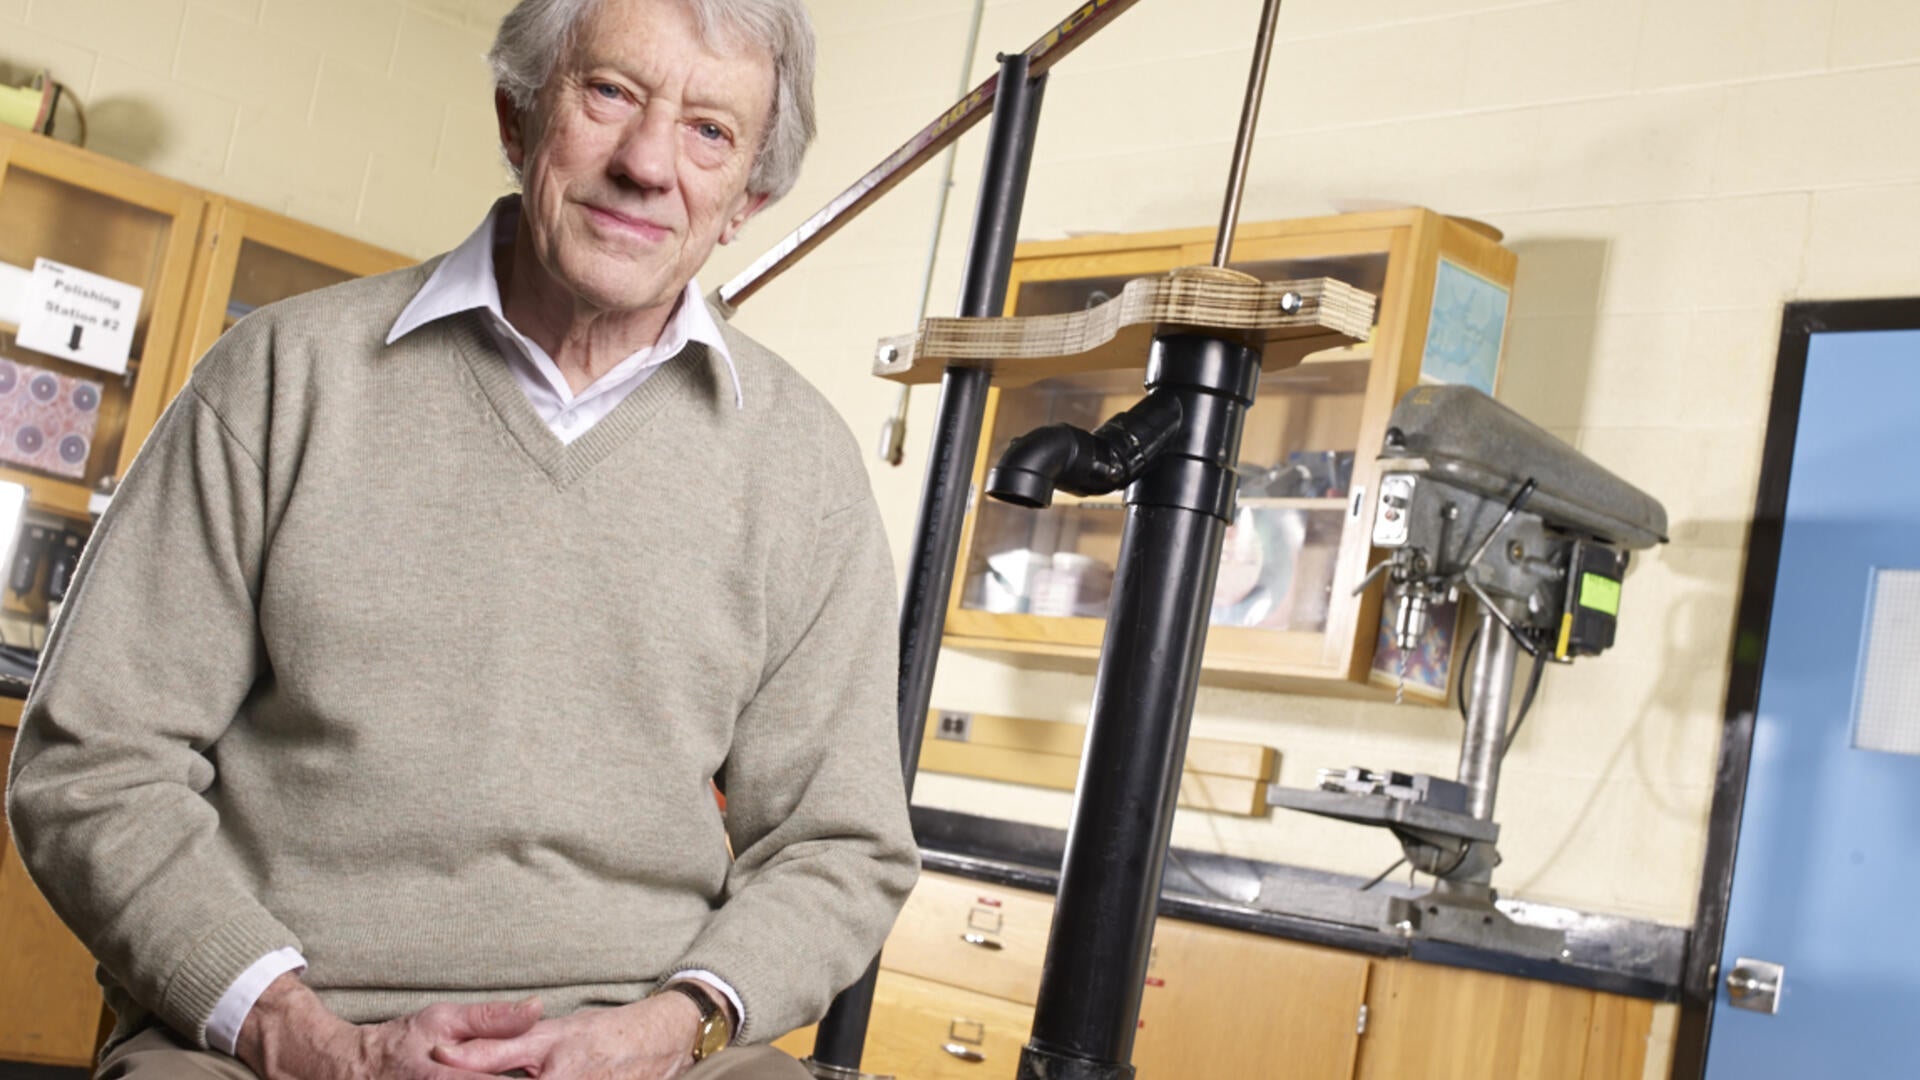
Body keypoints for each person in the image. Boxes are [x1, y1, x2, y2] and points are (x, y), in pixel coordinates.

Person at [4, 0, 919, 1076]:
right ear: (516, 117)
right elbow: (92, 766)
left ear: (747, 200)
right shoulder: (281, 377)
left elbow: (838, 847)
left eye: (709, 131)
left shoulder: (803, 466)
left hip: (647, 1046)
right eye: (610, 92)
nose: (646, 164)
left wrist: (669, 1030)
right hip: (279, 1038)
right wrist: (302, 1038)